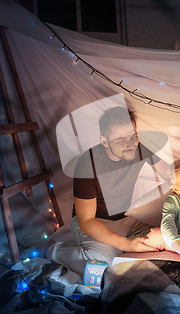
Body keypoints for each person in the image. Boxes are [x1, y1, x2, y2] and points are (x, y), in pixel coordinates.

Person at [47, 106, 168, 274]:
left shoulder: (139, 147)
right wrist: (125, 244)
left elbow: (172, 174)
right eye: (121, 140)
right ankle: (56, 250)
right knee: (104, 263)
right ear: (104, 141)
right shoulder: (88, 163)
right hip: (95, 222)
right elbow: (87, 220)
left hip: (126, 217)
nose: (130, 144)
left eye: (133, 136)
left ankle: (123, 245)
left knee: (166, 238)